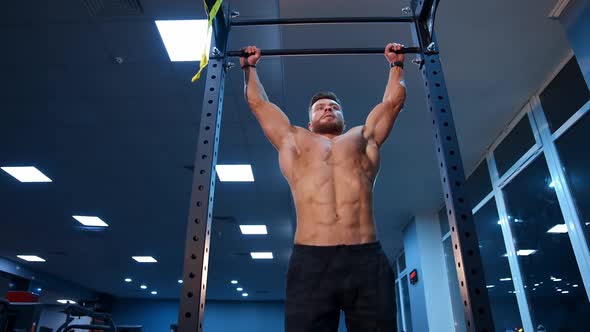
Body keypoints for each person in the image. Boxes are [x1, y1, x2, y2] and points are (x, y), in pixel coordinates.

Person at [241, 43, 406, 332]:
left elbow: (392, 104)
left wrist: (396, 66)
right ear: (310, 120)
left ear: (343, 118)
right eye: (320, 107)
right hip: (311, 261)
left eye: (334, 107)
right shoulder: (293, 140)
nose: (328, 109)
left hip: (365, 258)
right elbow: (259, 104)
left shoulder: (363, 137)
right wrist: (250, 68)